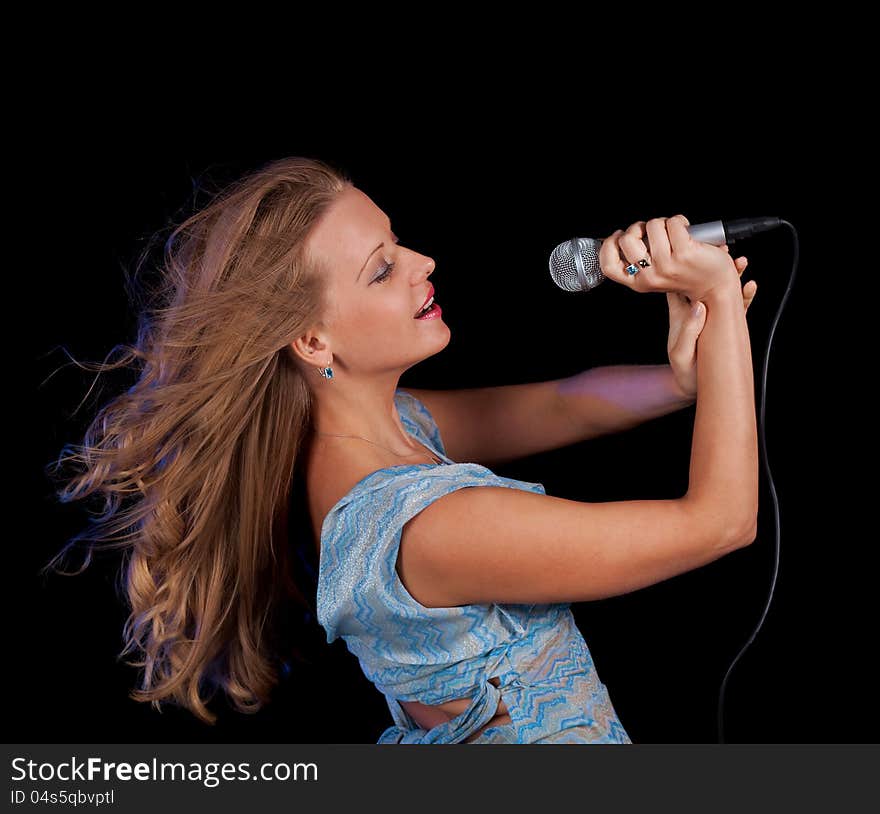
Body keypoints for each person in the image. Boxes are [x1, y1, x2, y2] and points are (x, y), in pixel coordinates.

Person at [43, 156, 758, 742]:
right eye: (382, 269)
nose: (424, 262)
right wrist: (720, 300)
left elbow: (562, 403)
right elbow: (721, 522)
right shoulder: (430, 529)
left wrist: (683, 379)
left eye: (398, 243)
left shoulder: (381, 435)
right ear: (312, 341)